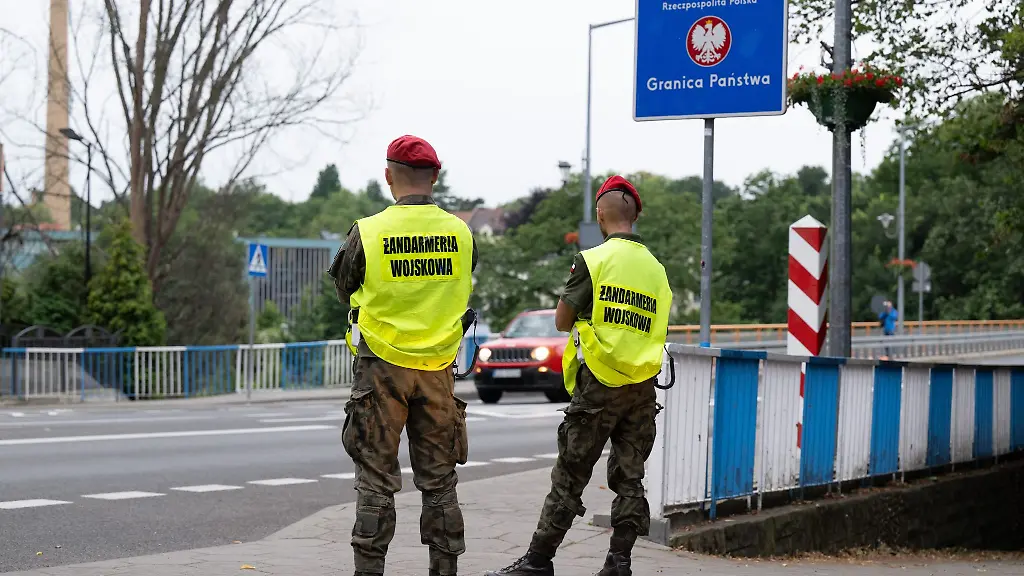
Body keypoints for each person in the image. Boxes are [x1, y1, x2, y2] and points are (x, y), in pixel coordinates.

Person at [485, 175, 673, 576]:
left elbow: (561, 319)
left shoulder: (594, 260)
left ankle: (538, 561)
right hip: (642, 385)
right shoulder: (657, 270)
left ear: (601, 214)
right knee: (630, 476)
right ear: (636, 215)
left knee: (570, 473)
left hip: (599, 382)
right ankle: (619, 562)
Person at [328, 135, 479, 576]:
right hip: (437, 373)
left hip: (381, 372)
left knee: (376, 480)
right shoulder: (461, 232)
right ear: (435, 177)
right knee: (440, 483)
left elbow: (343, 289)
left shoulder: (368, 231)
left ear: (389, 176)